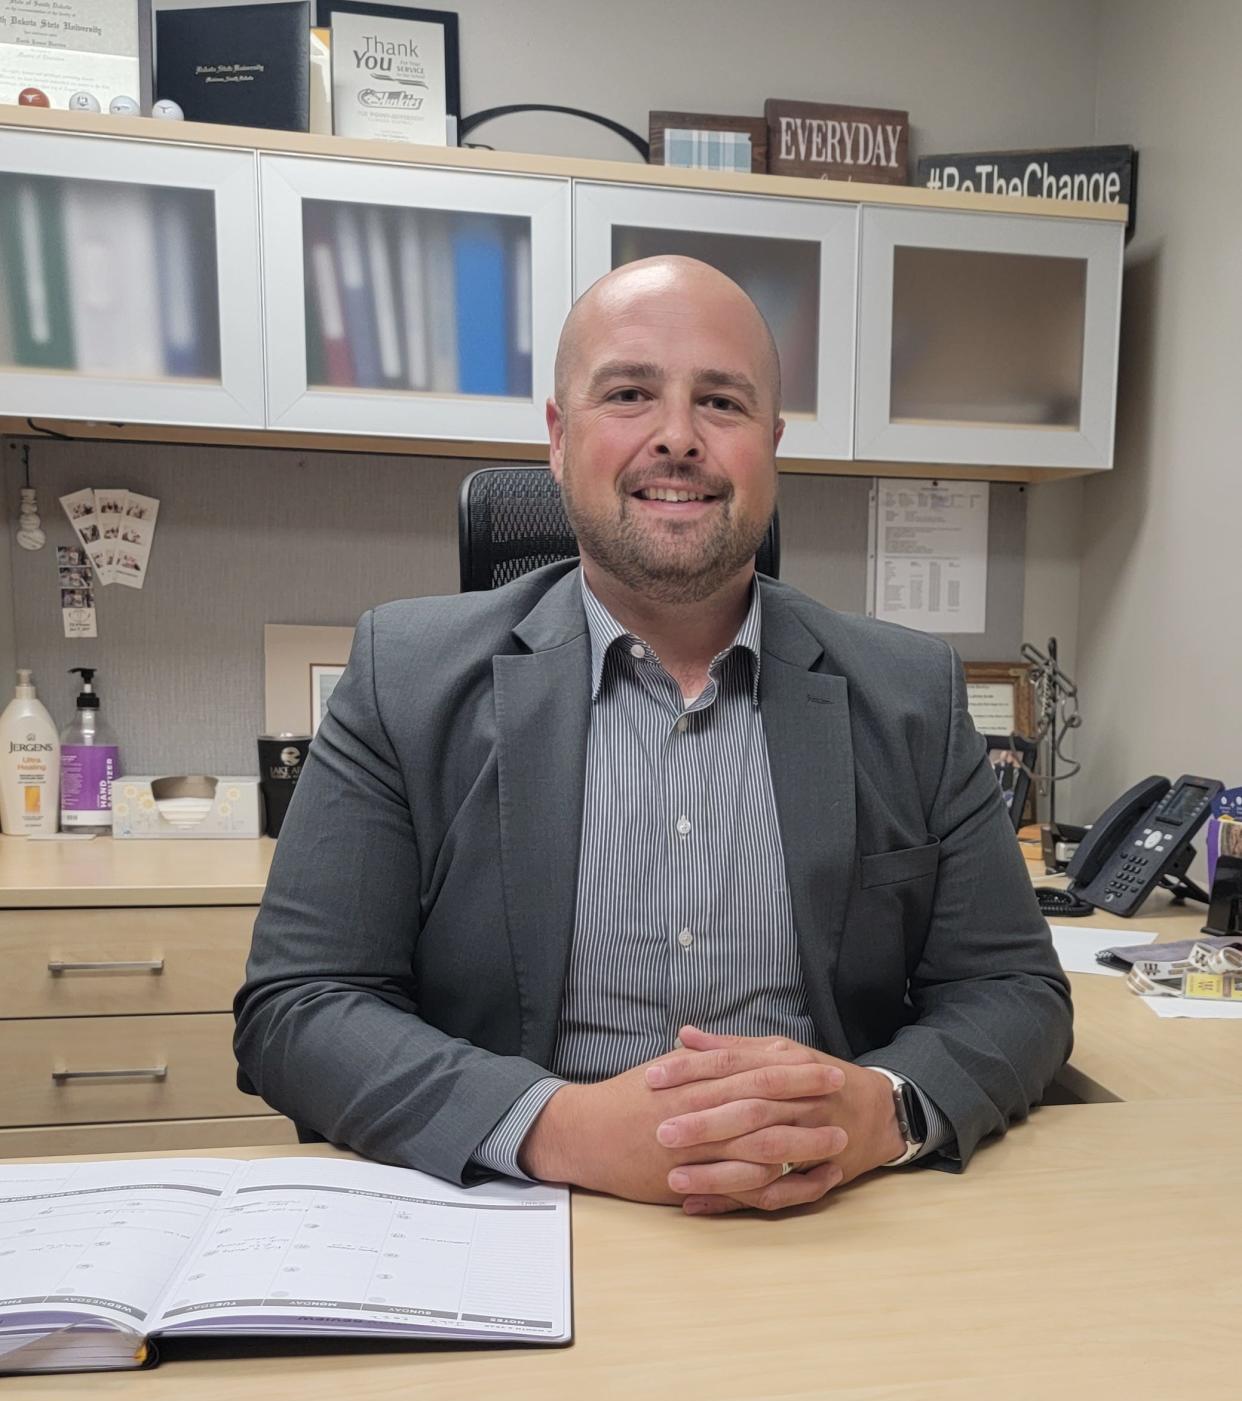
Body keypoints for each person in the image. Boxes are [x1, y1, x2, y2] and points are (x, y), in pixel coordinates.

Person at [235, 256, 1071, 1217]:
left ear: (772, 444)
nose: (678, 438)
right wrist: (562, 1129)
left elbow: (1015, 990)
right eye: (630, 394)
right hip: (517, 1219)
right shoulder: (403, 677)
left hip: (830, 1218)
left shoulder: (908, 692)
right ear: (558, 438)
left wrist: (877, 1112)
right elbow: (298, 1011)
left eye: (721, 403)